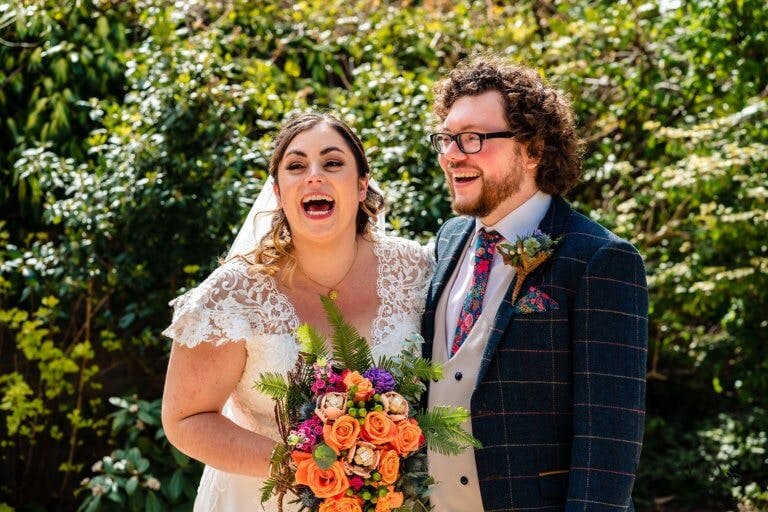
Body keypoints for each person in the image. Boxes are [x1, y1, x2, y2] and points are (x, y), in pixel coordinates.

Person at [161, 112, 433, 511]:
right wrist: (306, 467)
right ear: (278, 191)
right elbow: (185, 420)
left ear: (362, 185)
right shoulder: (234, 294)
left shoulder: (415, 270)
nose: (314, 176)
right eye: (296, 166)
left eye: (333, 163)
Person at [422, 54, 648, 511]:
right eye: (446, 138)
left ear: (533, 150)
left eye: (473, 138)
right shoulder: (448, 240)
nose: (452, 154)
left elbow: (608, 443)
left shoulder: (599, 259)